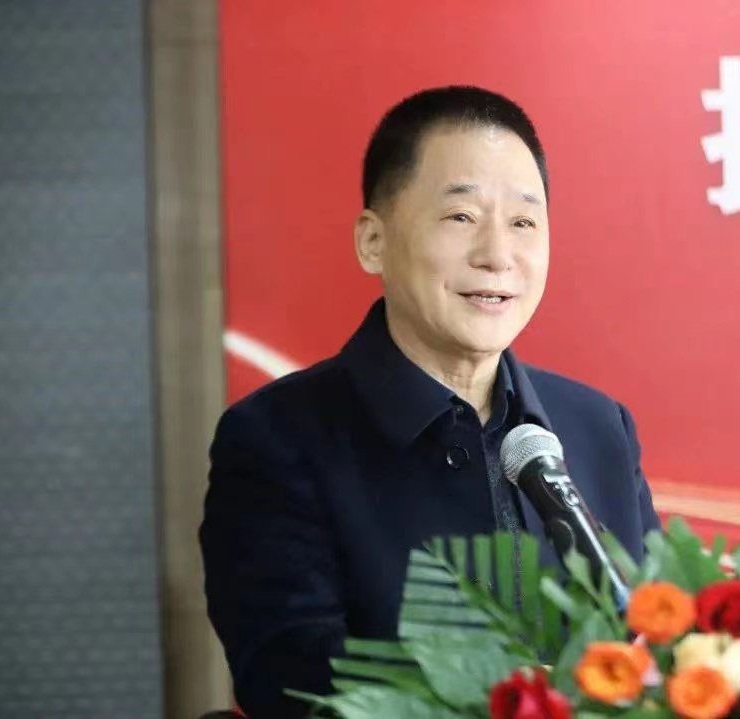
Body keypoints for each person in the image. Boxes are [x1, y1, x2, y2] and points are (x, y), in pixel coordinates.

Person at [199, 86, 662, 719]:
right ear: (373, 241)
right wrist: (525, 696)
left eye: (524, 223)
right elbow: (288, 679)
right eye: (461, 217)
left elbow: (661, 634)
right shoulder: (276, 439)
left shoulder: (599, 427)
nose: (497, 255)